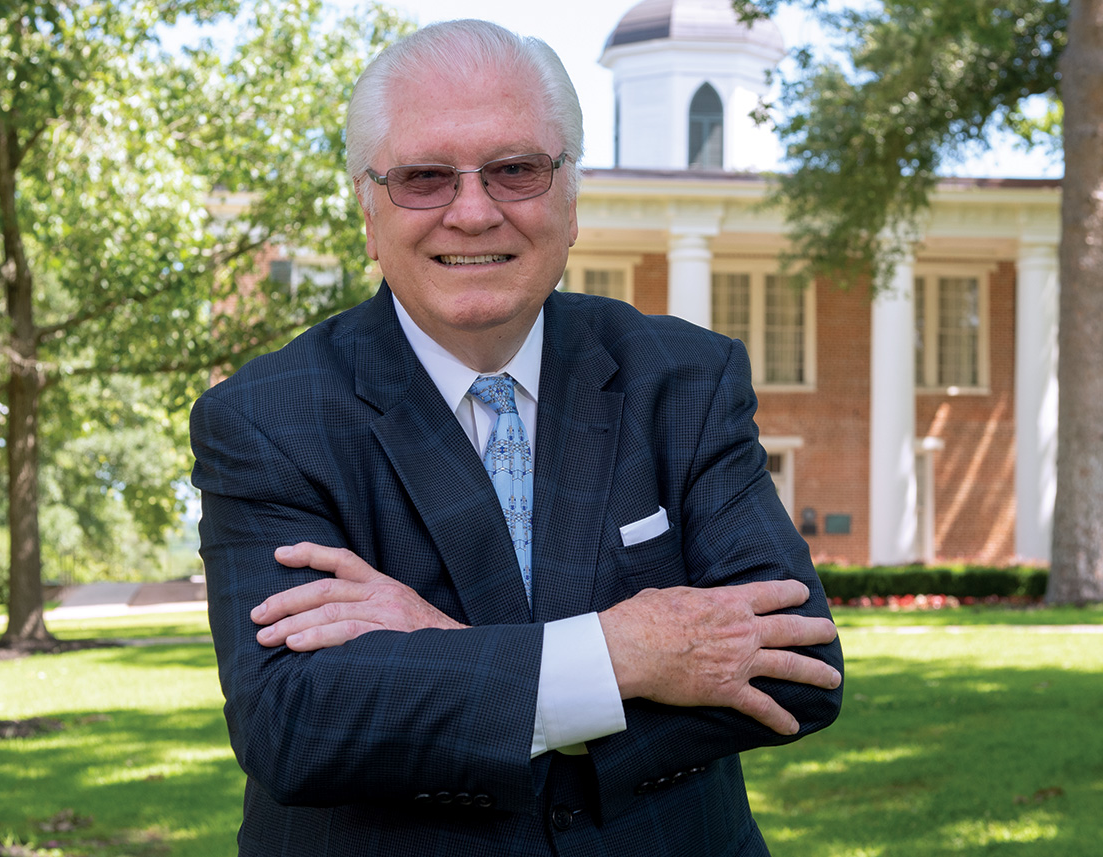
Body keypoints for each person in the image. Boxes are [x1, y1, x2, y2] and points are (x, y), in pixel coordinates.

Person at [191, 18, 843, 857]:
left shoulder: (685, 378)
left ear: (570, 197)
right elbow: (295, 722)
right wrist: (627, 652)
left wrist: (445, 657)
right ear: (368, 207)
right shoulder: (267, 418)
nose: (472, 211)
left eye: (515, 171)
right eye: (425, 178)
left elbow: (799, 668)